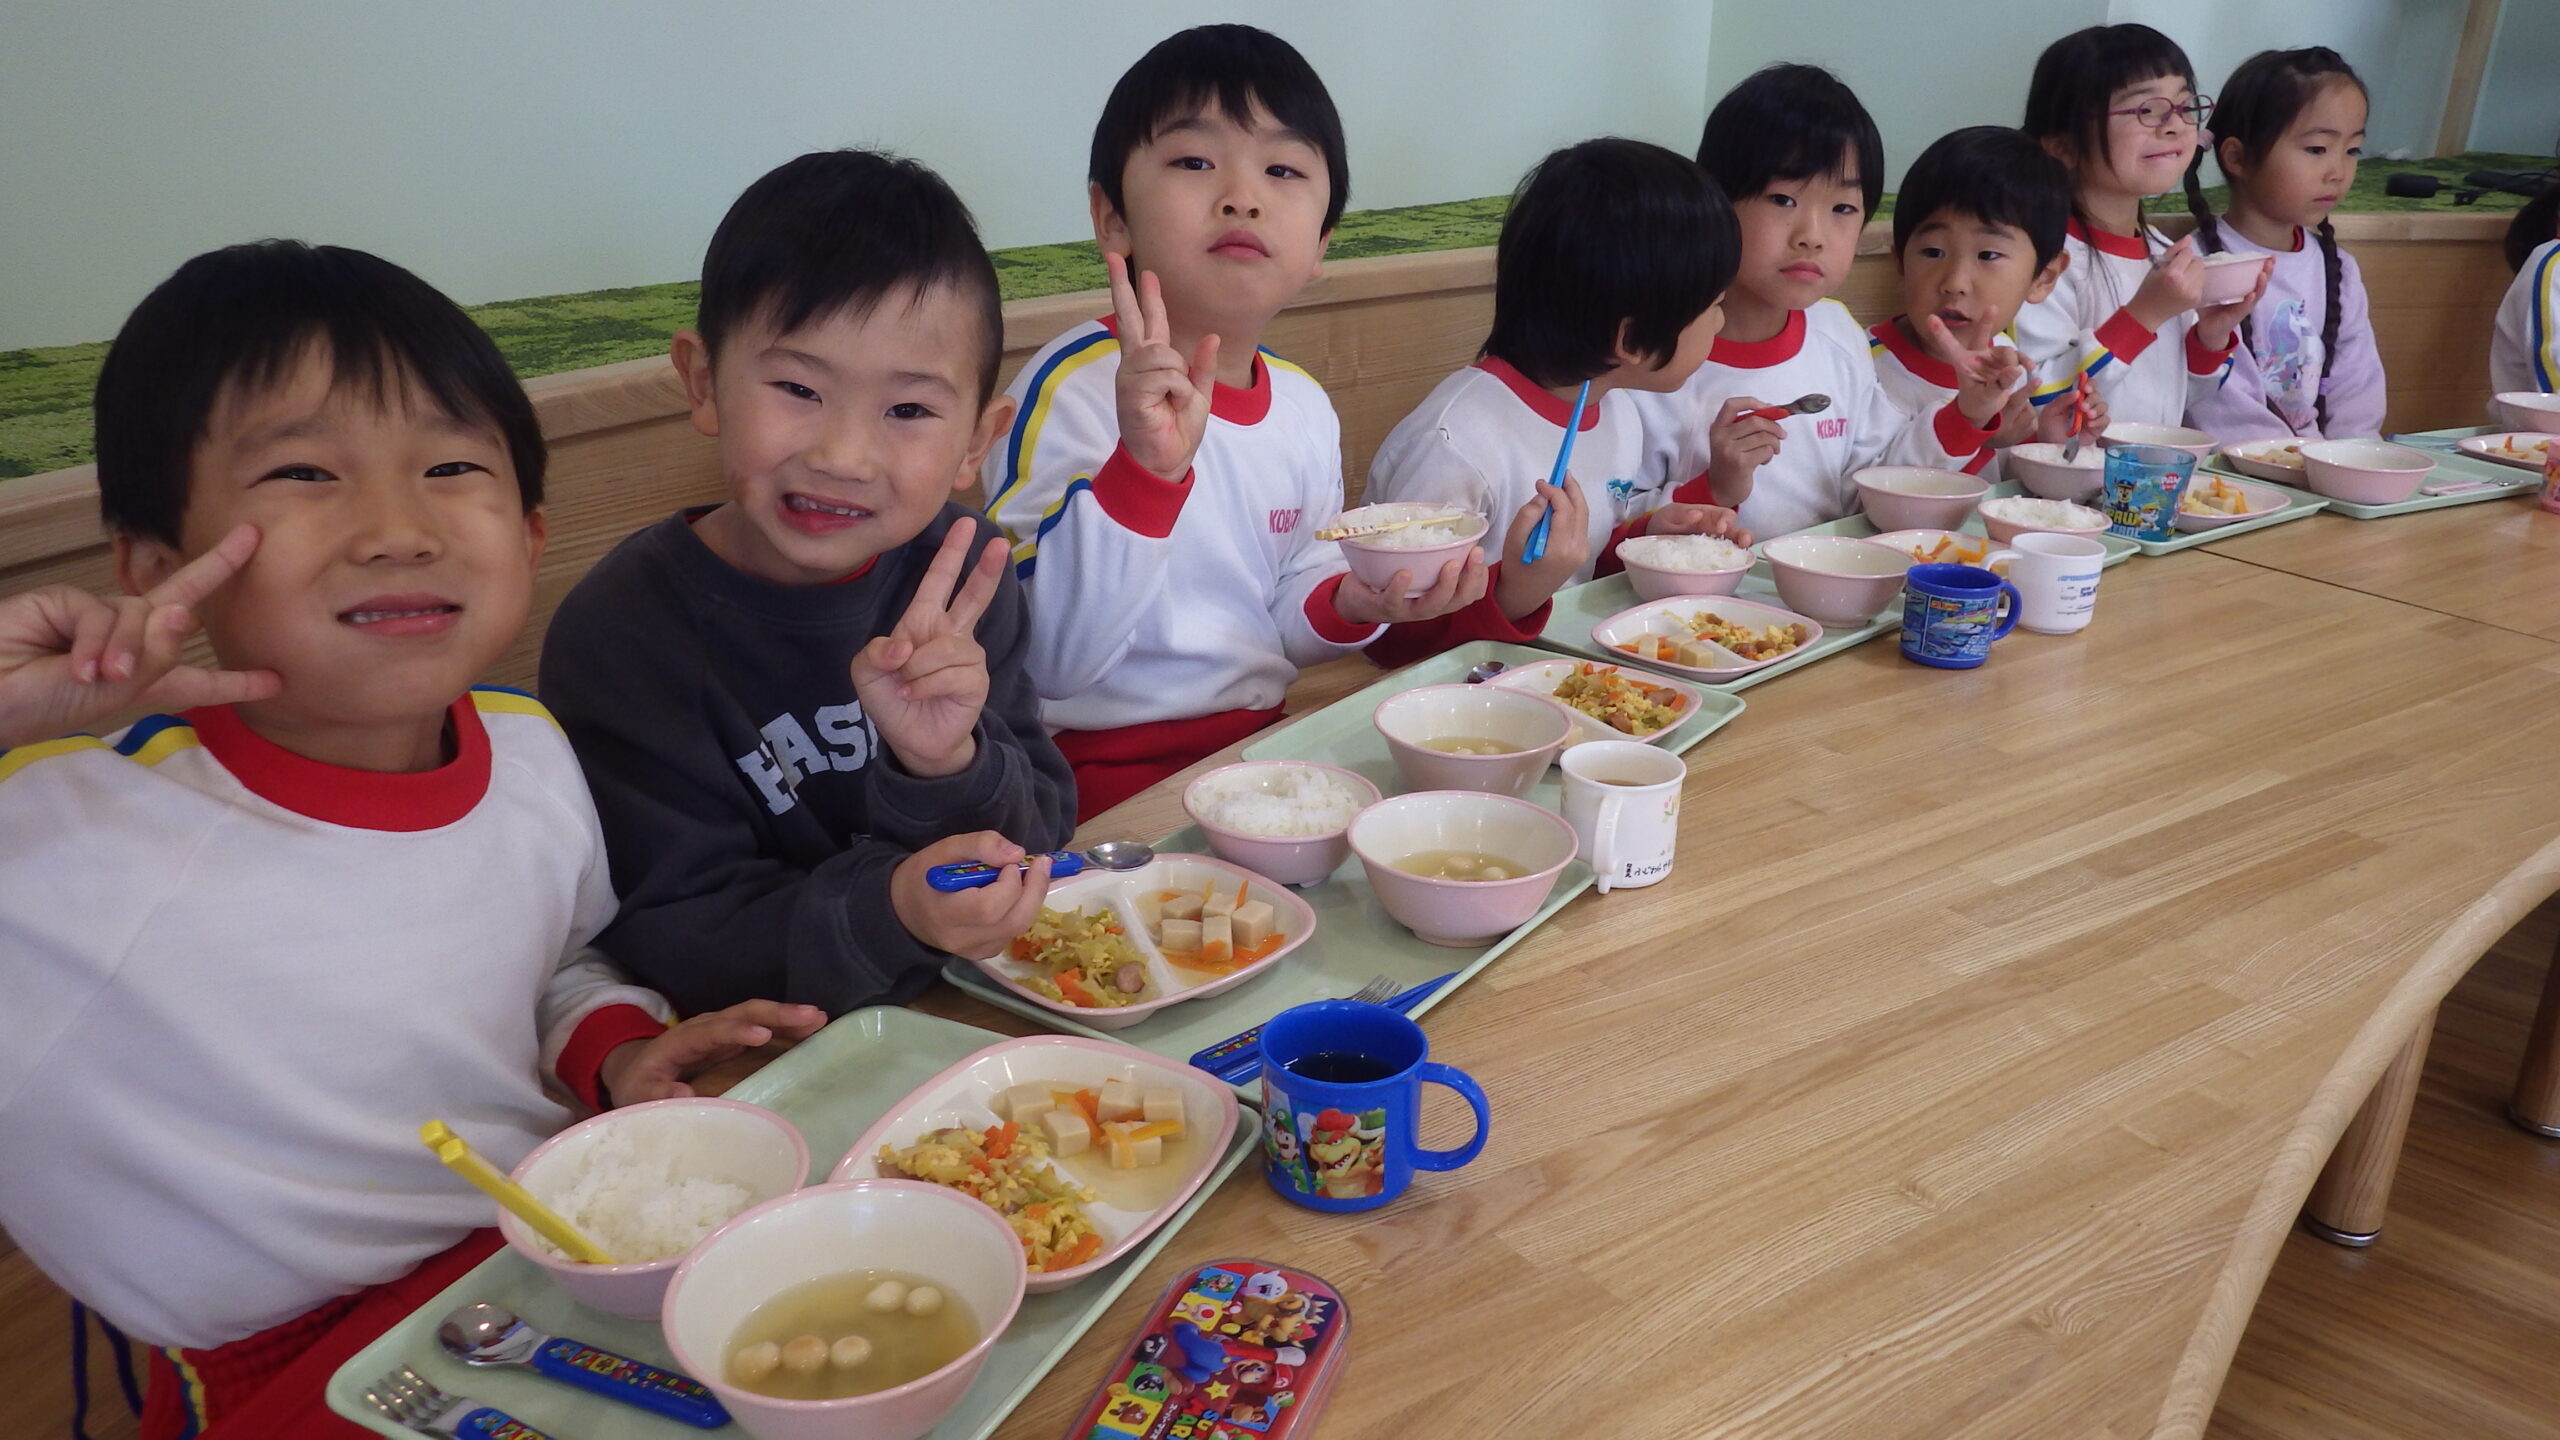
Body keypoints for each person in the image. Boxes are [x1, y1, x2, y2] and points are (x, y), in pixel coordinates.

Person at [0, 239, 821, 1440]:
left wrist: (614, 1053)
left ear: (529, 534)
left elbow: (556, 959)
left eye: (449, 466)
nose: (398, 529)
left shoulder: (528, 751)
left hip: (551, 1253)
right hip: (287, 1357)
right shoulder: (58, 833)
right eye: (303, 473)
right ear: (158, 565)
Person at [542, 150, 1076, 1015]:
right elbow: (675, 930)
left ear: (977, 442)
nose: (843, 456)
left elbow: (1041, 834)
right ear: (704, 382)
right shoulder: (624, 632)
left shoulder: (960, 577)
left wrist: (947, 763)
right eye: (798, 387)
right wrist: (893, 908)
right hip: (767, 1050)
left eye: (908, 410)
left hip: (974, 1008)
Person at [984, 25, 1486, 818]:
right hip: (1091, 779)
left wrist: (1356, 601)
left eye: (1283, 170)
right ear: (1111, 217)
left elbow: (1283, 611)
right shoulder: (1071, 388)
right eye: (1194, 162)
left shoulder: (1303, 406)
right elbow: (1048, 661)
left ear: (1320, 246)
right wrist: (1145, 472)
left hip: (1258, 753)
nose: (1243, 197)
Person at [1363, 137, 1748, 648]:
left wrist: (1642, 539)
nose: (1721, 322)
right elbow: (1390, 641)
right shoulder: (1455, 446)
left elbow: (1577, 572)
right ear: (1632, 340)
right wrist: (1516, 592)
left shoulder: (1618, 410)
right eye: (1715, 305)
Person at [1627, 64, 2009, 539]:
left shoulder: (1837, 332)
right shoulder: (1651, 357)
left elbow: (1874, 484)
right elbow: (1610, 527)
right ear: (1716, 200)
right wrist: (1714, 487)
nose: (1812, 236)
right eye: (1783, 200)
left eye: (1842, 208)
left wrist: (1967, 413)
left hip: (1828, 579)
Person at [2013, 23, 2266, 432]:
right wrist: (2144, 314)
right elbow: (2040, 398)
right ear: (2064, 145)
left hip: (2150, 468)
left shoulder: (2165, 252)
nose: (2174, 125)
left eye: (2184, 107)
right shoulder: (2040, 260)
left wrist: (2210, 336)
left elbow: (2180, 397)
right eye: (2146, 110)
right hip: (2067, 471)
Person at [1867, 126, 2104, 472]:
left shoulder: (2004, 360)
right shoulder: (1864, 367)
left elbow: (2003, 488)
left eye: (1988, 255)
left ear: (2043, 277)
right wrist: (1973, 427)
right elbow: (1872, 492)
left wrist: (2049, 445)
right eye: (1933, 252)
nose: (1955, 283)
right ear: (1900, 264)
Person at [2182, 48, 2385, 441]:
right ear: (2237, 158)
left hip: (2321, 466)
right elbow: (2222, 412)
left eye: (2352, 150)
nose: (2338, 172)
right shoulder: (2194, 266)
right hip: (2230, 467)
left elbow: (2357, 392)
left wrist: (2352, 456)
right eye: (2317, 149)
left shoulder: (2338, 268)